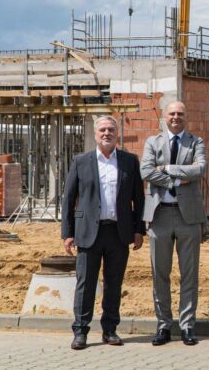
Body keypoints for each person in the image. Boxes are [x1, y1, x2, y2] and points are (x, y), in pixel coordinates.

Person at [60, 114, 145, 350]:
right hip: (88, 233)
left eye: (111, 130)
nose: (107, 133)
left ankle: (110, 330)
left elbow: (138, 198)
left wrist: (139, 230)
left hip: (118, 233)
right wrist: (67, 233)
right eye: (103, 130)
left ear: (117, 134)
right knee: (85, 284)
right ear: (95, 134)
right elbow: (69, 199)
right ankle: (80, 331)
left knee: (114, 284)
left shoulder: (129, 161)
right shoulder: (81, 161)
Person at [140, 101, 206, 346]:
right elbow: (146, 171)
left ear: (186, 116)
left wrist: (167, 168)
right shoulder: (152, 142)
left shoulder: (196, 142)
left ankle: (187, 325)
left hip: (189, 216)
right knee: (160, 274)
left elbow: (200, 169)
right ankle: (164, 325)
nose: (176, 117)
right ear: (164, 117)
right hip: (159, 215)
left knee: (189, 274)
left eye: (180, 113)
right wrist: (175, 181)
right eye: (172, 113)